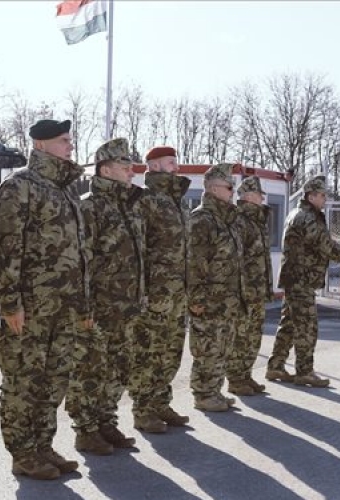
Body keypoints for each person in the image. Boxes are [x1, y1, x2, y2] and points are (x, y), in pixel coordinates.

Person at [0, 119, 91, 480]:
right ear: (40, 146)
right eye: (63, 141)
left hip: (63, 307)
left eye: (69, 140)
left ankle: (42, 445)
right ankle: (22, 453)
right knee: (23, 381)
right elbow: (6, 247)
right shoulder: (20, 186)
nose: (70, 146)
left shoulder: (66, 190)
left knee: (54, 381)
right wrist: (9, 303)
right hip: (31, 307)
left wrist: (82, 303)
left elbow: (79, 254)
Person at [65, 138, 141, 455]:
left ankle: (106, 421)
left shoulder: (128, 207)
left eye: (131, 167)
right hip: (99, 305)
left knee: (118, 367)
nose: (131, 173)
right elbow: (81, 261)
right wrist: (85, 306)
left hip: (127, 304)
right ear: (105, 169)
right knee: (89, 369)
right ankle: (86, 430)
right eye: (125, 168)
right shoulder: (89, 206)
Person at [266, 175, 340, 388]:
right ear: (311, 196)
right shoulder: (309, 217)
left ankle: (275, 365)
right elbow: (326, 245)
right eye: (322, 195)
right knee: (307, 326)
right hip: (302, 280)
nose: (325, 199)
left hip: (295, 278)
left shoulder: (297, 214)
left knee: (290, 323)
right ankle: (305, 371)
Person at [128, 146, 191, 432]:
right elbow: (138, 248)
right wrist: (143, 289)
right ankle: (143, 410)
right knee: (148, 351)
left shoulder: (177, 202)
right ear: (153, 167)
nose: (176, 168)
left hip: (178, 291)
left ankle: (161, 402)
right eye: (170, 163)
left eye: (176, 163)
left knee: (171, 349)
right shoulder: (145, 200)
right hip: (156, 292)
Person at [187, 163, 246, 411]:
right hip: (209, 298)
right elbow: (194, 262)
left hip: (227, 298)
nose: (233, 191)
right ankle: (203, 394)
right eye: (229, 186)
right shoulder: (202, 219)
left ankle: (215, 391)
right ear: (212, 189)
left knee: (223, 346)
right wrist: (197, 299)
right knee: (207, 347)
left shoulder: (227, 219)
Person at [225, 176, 274, 396]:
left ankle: (246, 375)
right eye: (258, 194)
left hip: (257, 290)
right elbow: (235, 259)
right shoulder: (239, 221)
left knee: (254, 336)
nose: (262, 197)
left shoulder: (258, 221)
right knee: (241, 336)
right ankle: (235, 379)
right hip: (244, 292)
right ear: (247, 196)